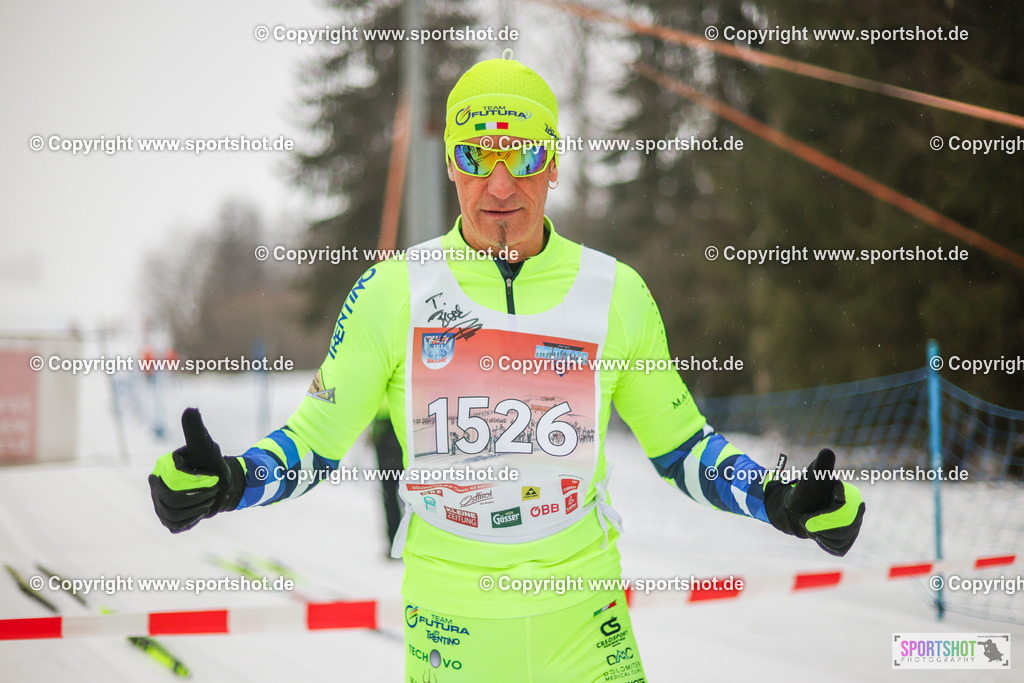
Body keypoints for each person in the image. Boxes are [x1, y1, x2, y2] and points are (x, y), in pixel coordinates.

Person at [148, 54, 865, 682]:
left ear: (553, 162)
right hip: (451, 628)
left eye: (521, 157)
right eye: (474, 157)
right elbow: (314, 443)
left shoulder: (615, 293)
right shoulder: (392, 292)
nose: (498, 185)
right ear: (450, 163)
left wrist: (779, 499)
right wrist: (227, 482)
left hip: (584, 624)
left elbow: (684, 450)